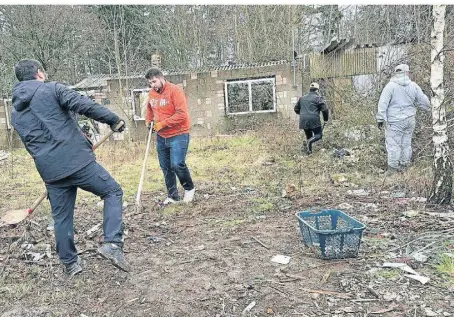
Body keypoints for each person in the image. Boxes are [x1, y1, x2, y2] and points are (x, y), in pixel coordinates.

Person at [11, 59, 129, 275]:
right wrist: (113, 120)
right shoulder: (53, 89)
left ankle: (70, 264)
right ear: (39, 73)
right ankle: (112, 244)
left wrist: (49, 169)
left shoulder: (15, 113)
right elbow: (85, 105)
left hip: (51, 172)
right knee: (112, 191)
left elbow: (31, 144)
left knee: (61, 218)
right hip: (78, 162)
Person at [144, 68, 195, 204]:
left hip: (178, 134)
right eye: (150, 83)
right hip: (161, 137)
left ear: (161, 78)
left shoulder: (175, 91)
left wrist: (163, 124)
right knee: (166, 167)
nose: (152, 85)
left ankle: (189, 189)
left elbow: (181, 114)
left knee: (177, 164)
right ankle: (172, 196)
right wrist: (149, 121)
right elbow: (150, 109)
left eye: (154, 81)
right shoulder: (151, 94)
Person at [376, 64, 430, 173]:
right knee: (406, 143)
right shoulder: (414, 86)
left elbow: (383, 103)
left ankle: (392, 170)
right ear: (407, 73)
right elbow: (424, 102)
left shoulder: (390, 86)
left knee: (393, 144)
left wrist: (380, 119)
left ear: (396, 73)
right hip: (410, 120)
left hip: (394, 121)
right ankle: (405, 166)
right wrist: (429, 109)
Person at [294, 82, 329, 154]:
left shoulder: (302, 98)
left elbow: (296, 109)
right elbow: (325, 109)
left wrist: (303, 114)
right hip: (314, 120)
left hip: (303, 120)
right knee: (319, 135)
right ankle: (310, 142)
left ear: (310, 90)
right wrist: (325, 120)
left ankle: (309, 152)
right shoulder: (318, 98)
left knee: (309, 136)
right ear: (317, 90)